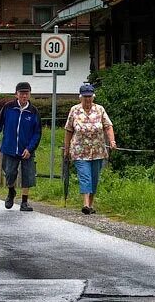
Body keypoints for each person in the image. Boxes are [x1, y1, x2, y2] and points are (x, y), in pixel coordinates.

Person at [63, 82, 116, 215]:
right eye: (85, 97)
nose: (88, 99)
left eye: (90, 96)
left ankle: (90, 205)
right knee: (85, 176)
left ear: (93, 97)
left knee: (94, 177)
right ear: (80, 97)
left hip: (97, 150)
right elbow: (69, 130)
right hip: (79, 150)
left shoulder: (100, 109)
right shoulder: (74, 110)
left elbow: (108, 126)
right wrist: (66, 147)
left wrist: (112, 140)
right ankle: (85, 204)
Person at [0, 81, 41, 211]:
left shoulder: (33, 112)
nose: (24, 96)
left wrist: (30, 148)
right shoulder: (8, 107)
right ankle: (11, 191)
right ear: (16, 94)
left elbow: (37, 132)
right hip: (10, 147)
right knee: (9, 172)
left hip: (26, 148)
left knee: (27, 175)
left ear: (29, 95)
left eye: (26, 93)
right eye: (21, 93)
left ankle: (24, 202)